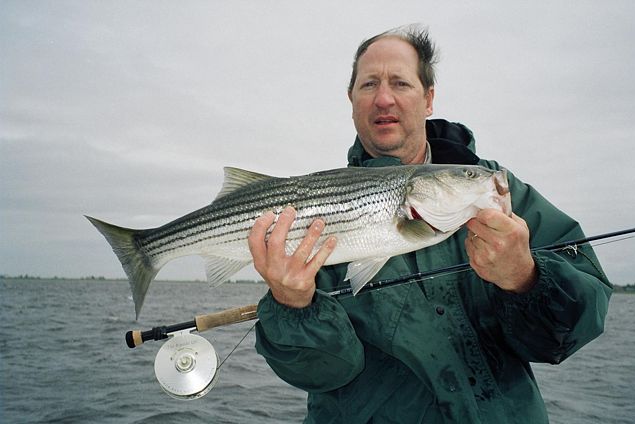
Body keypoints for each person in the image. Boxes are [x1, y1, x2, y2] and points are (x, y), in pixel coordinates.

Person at [247, 25, 612, 423]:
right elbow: (324, 372)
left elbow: (564, 337)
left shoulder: (499, 191)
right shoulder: (319, 205)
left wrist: (525, 278)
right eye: (369, 84)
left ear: (428, 99)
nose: (383, 98)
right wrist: (292, 305)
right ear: (351, 100)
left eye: (400, 83)